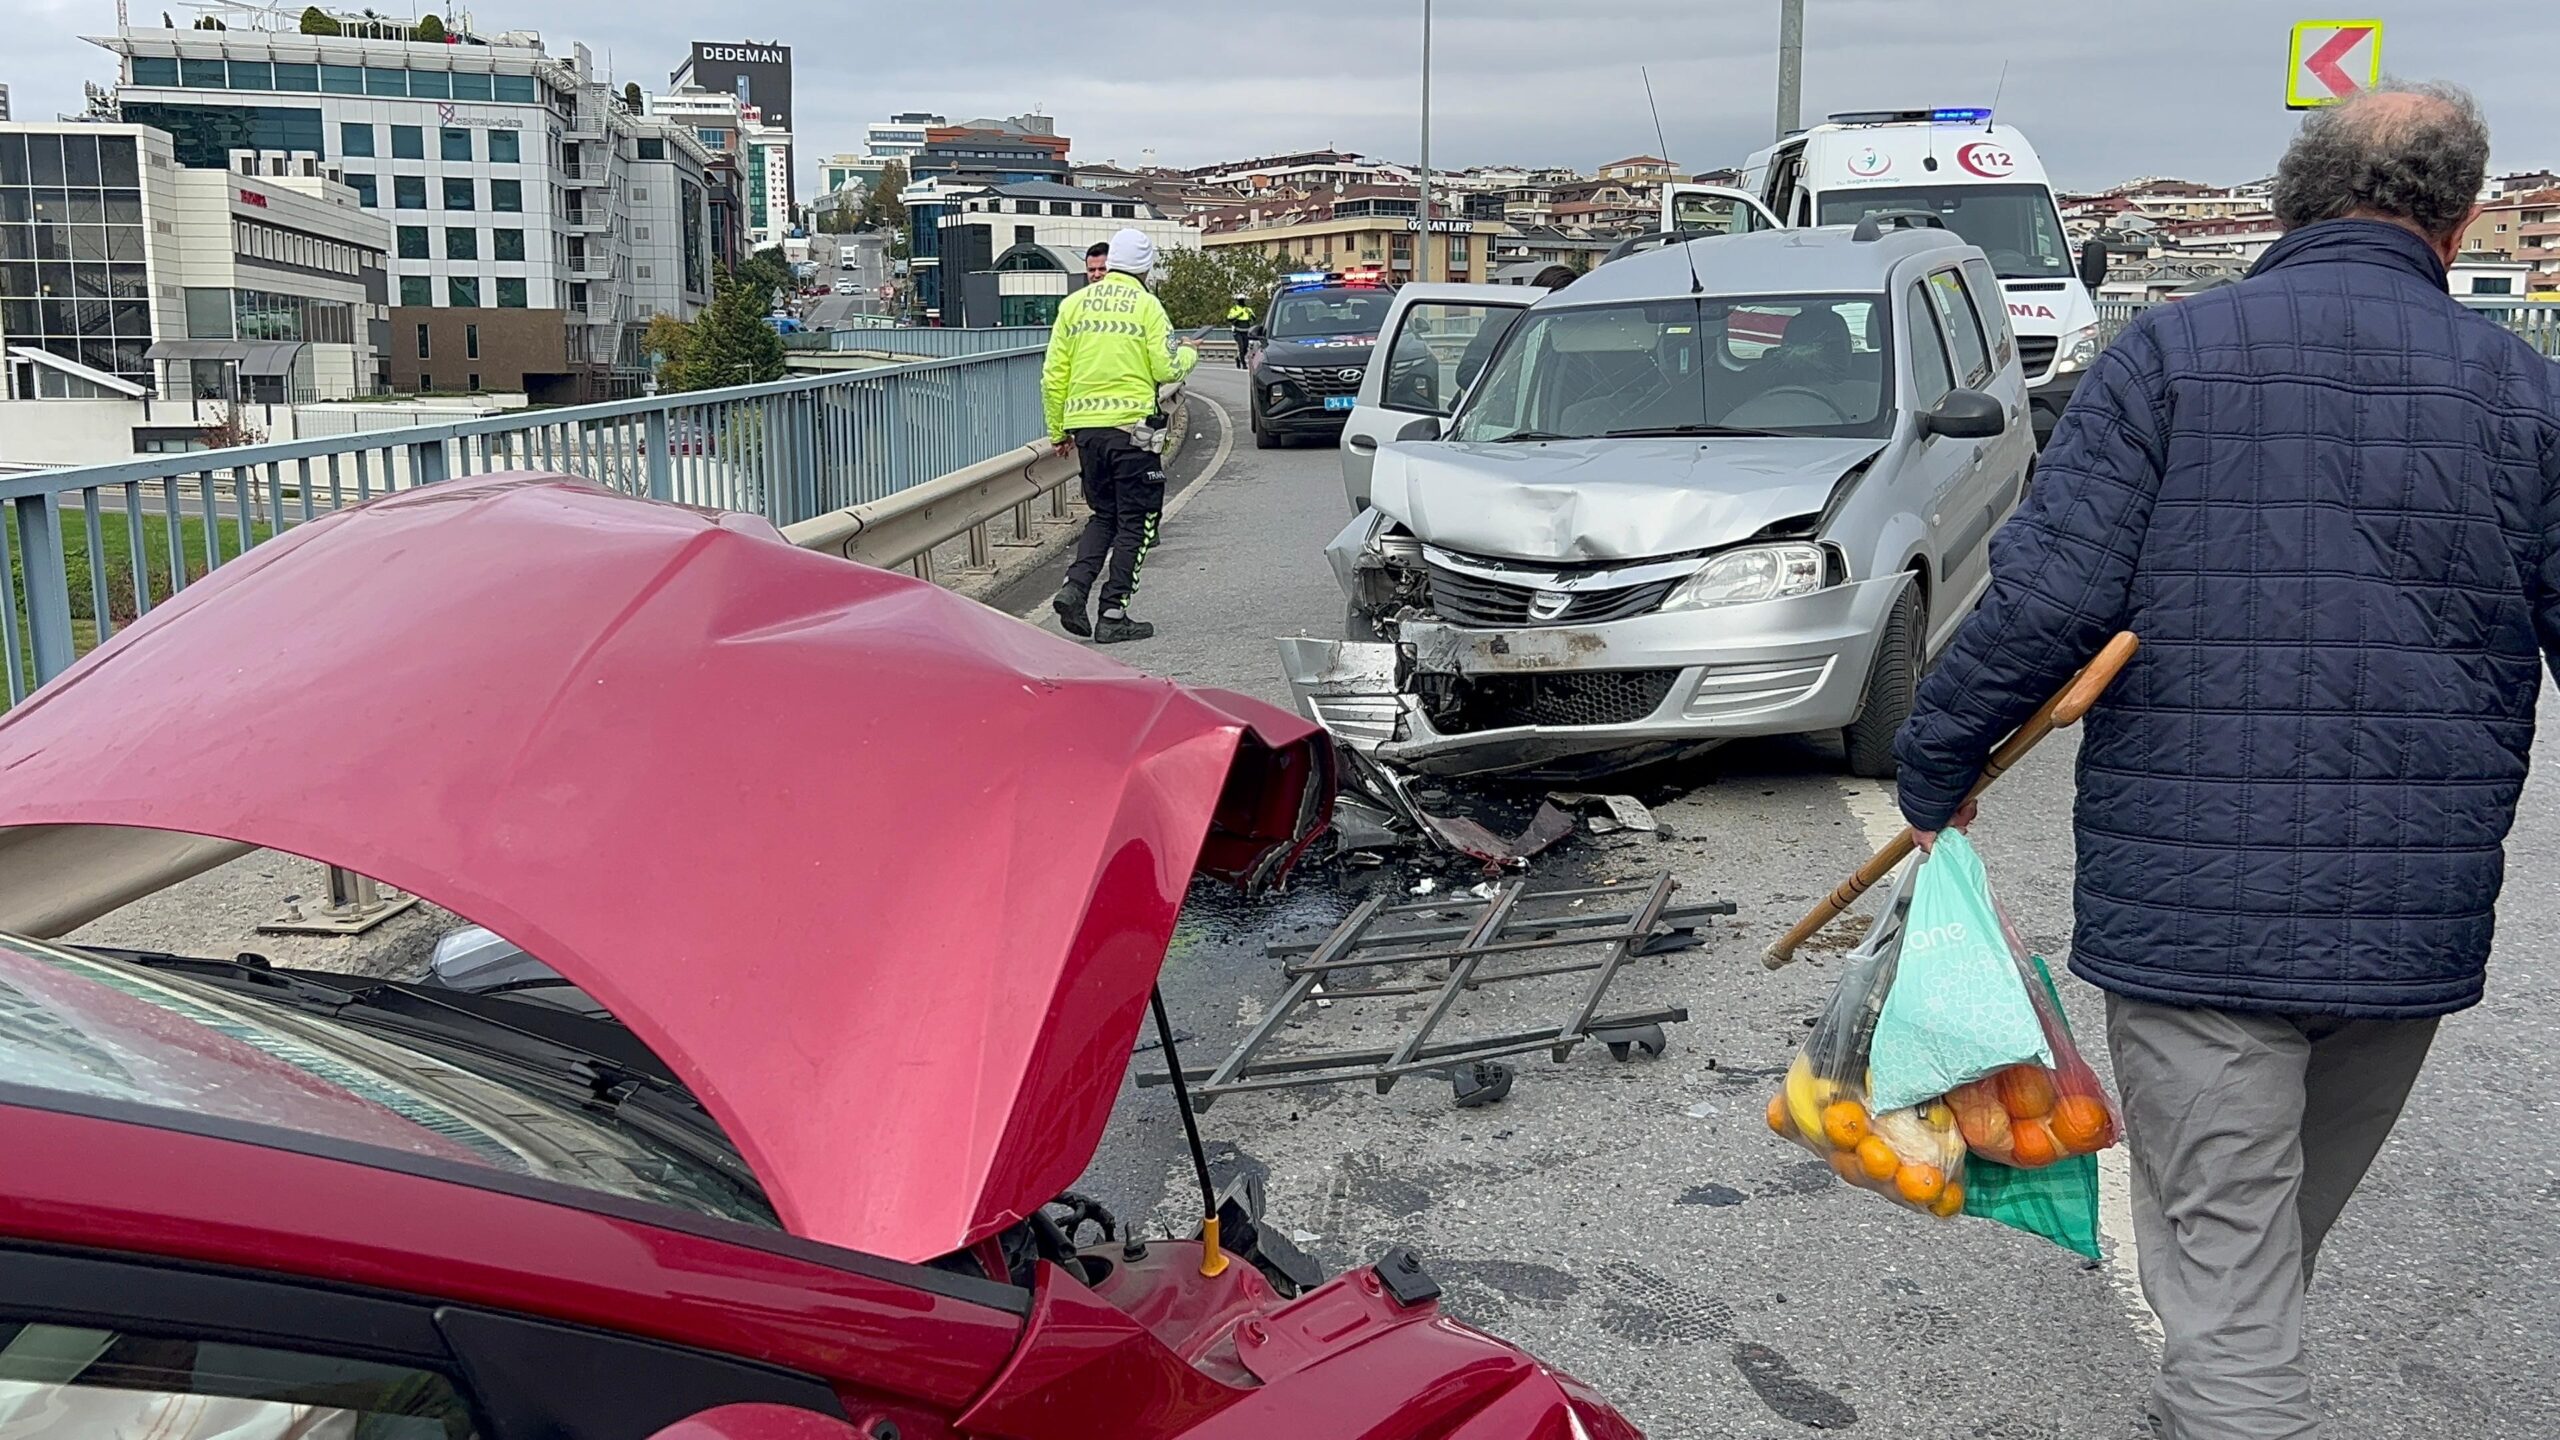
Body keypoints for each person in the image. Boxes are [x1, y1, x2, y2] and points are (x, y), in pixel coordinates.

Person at [1890, 83, 2557, 1439]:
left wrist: (1935, 763)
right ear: (2464, 217)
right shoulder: (2528, 395)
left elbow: (2041, 603)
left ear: (2288, 201)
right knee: (2247, 1265)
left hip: (2201, 928)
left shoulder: (2171, 360)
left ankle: (2222, 1405)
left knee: (2232, 1286)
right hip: (2408, 935)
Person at [1042, 228, 1199, 644]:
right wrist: (1190, 353)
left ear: (1109, 263)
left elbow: (1053, 375)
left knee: (1103, 514)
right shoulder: (1147, 306)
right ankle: (1113, 612)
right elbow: (1167, 368)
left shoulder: (1073, 306)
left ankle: (1075, 589)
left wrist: (1058, 430)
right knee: (1138, 521)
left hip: (1087, 435)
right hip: (1132, 433)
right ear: (1145, 268)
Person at [1226, 292, 1257, 368]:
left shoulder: (1248, 309)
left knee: (1245, 347)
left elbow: (1254, 318)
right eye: (1240, 300)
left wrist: (1250, 314)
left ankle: (1238, 358)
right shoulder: (1234, 309)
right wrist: (1237, 316)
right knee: (1241, 347)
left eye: (1243, 300)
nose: (1241, 301)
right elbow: (1229, 318)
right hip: (1237, 331)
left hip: (1246, 331)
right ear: (1237, 300)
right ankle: (1243, 363)